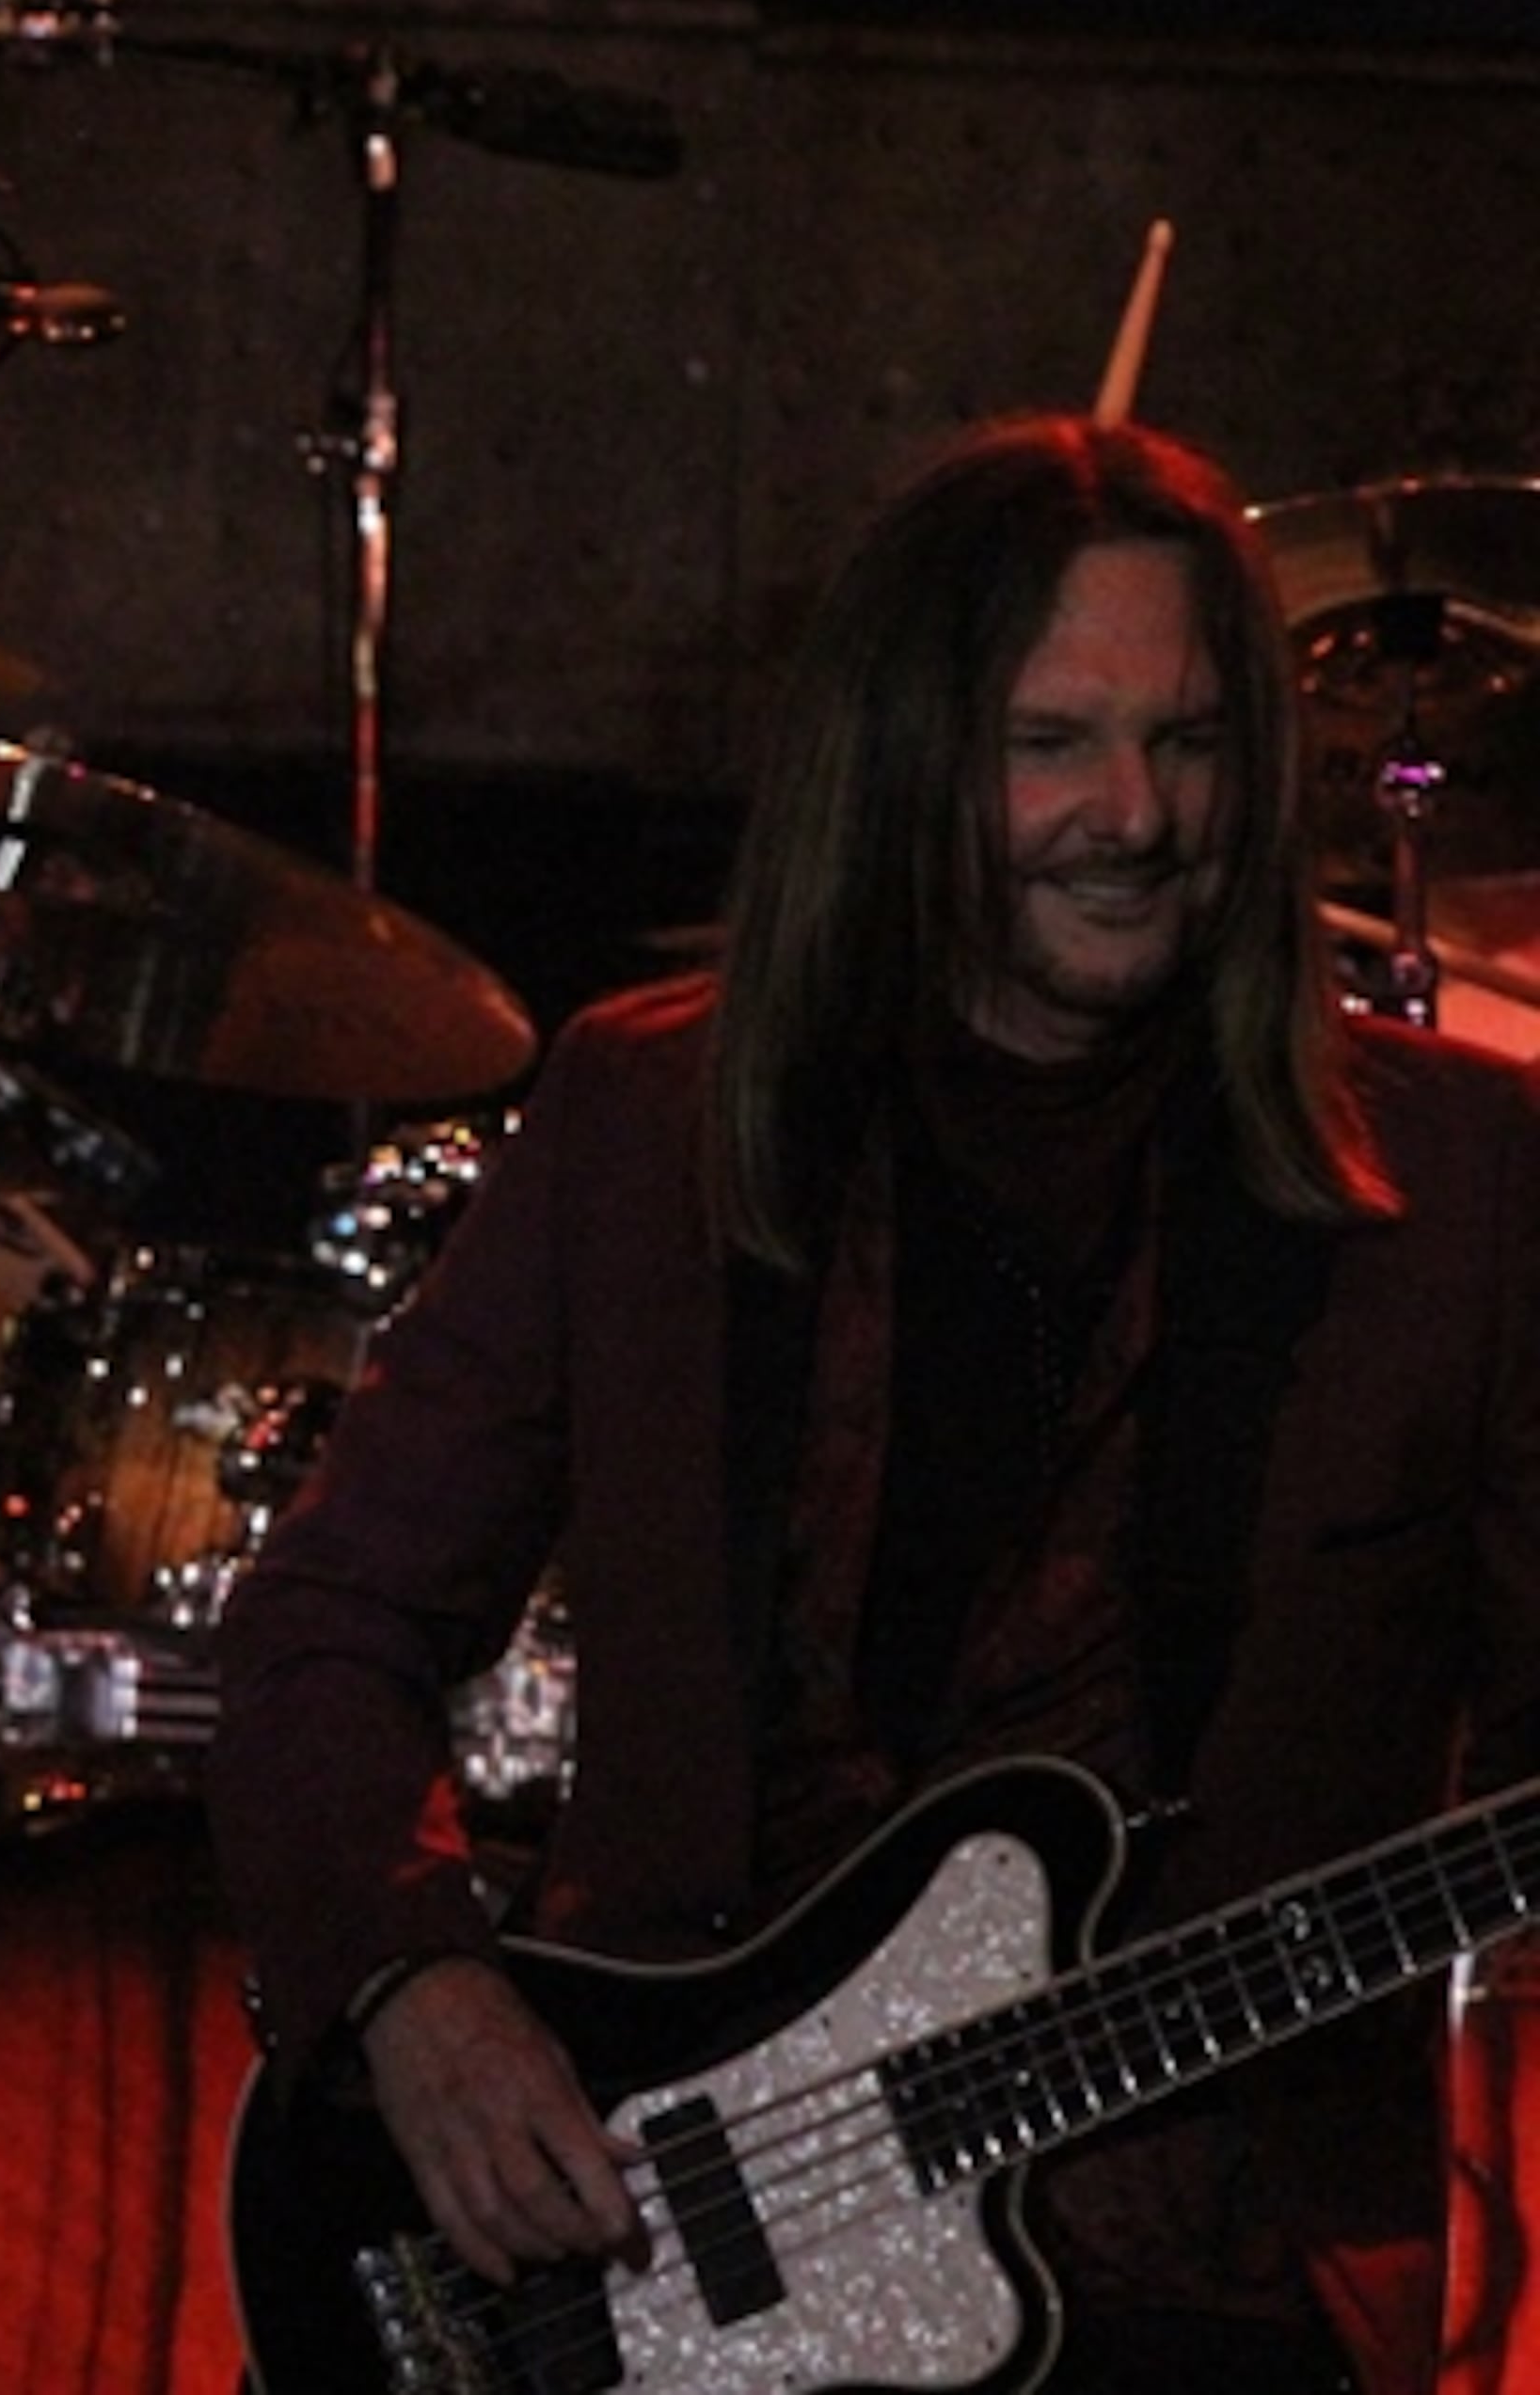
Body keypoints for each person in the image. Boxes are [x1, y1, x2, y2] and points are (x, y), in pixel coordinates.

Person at [210, 412, 1540, 2392]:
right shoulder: (647, 1117)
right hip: (658, 2265)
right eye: (1051, 743)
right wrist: (413, 1987)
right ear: (904, 762)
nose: (1135, 814)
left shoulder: (1474, 1180)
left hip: (1218, 2292)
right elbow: (331, 1626)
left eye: (1188, 742)